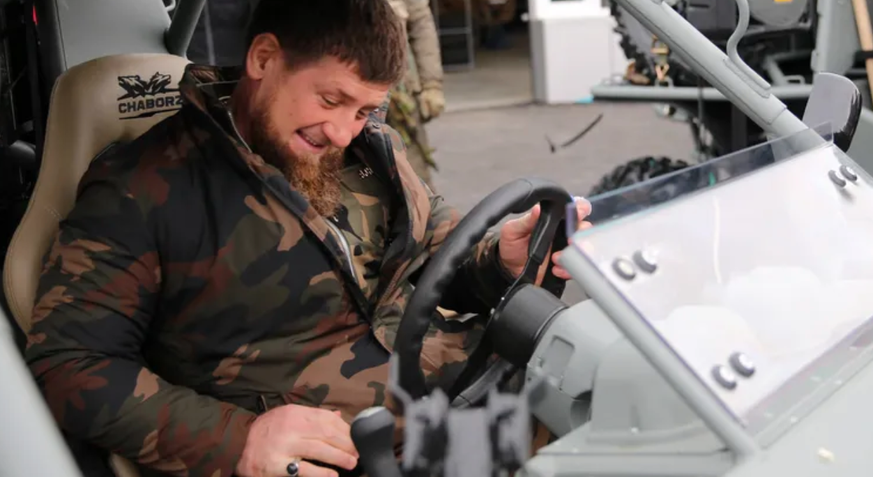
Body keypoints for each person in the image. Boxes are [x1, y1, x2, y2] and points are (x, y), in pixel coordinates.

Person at [24, 1, 591, 477]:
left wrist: (498, 260)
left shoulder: (374, 152)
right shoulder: (143, 188)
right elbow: (73, 362)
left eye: (366, 108)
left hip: (471, 402)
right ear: (264, 59)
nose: (345, 132)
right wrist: (239, 440)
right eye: (331, 100)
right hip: (350, 455)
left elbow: (438, 249)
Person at [386, 0, 445, 190]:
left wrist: (432, 85)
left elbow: (421, 23)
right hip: (338, 98)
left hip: (398, 99)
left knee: (415, 178)